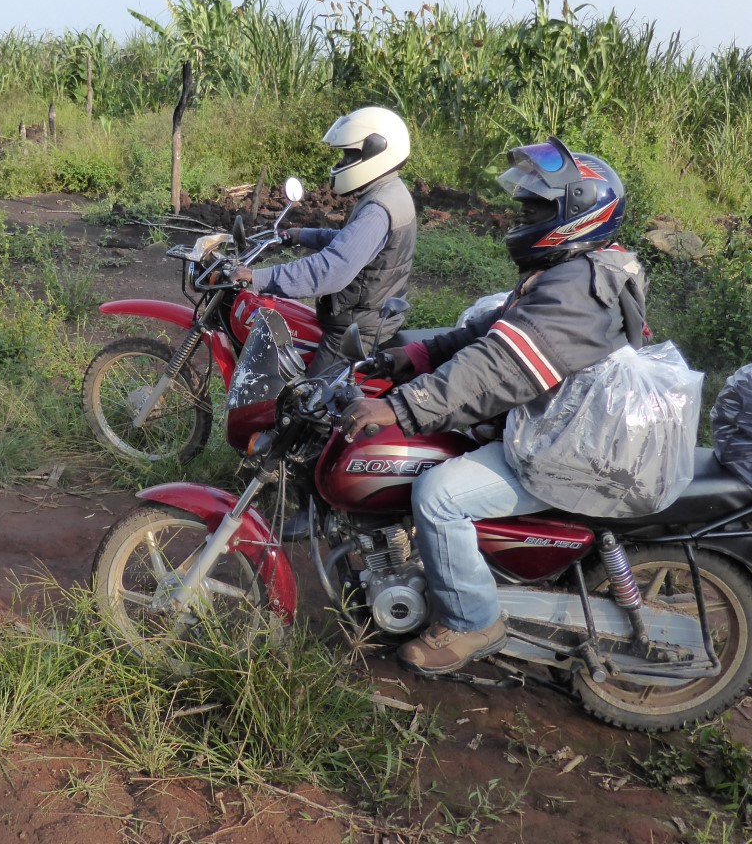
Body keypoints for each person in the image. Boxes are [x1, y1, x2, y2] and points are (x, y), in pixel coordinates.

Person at [339, 137, 647, 677]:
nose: (523, 214)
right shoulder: (576, 270)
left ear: (575, 216)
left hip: (565, 450)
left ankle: (473, 622)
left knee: (437, 495)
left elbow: (500, 367)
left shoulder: (579, 288)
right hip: (562, 426)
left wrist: (404, 408)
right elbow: (497, 330)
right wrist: (418, 353)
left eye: (535, 207)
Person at [232, 106, 416, 379]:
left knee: (309, 409)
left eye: (350, 155)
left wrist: (257, 277)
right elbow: (351, 244)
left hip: (354, 330)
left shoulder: (379, 208)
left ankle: (315, 423)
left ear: (376, 151)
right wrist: (301, 235)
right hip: (363, 316)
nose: (342, 163)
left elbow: (331, 269)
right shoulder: (387, 193)